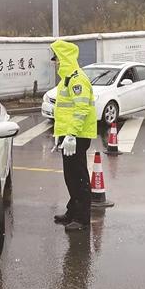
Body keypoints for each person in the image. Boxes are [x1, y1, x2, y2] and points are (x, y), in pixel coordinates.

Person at [50, 40, 97, 231]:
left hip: (76, 136)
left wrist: (70, 134)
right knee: (71, 177)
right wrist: (61, 135)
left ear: (64, 58)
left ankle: (82, 218)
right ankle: (73, 211)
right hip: (69, 136)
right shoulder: (67, 79)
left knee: (78, 177)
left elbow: (81, 108)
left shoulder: (77, 79)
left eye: (56, 59)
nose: (54, 63)